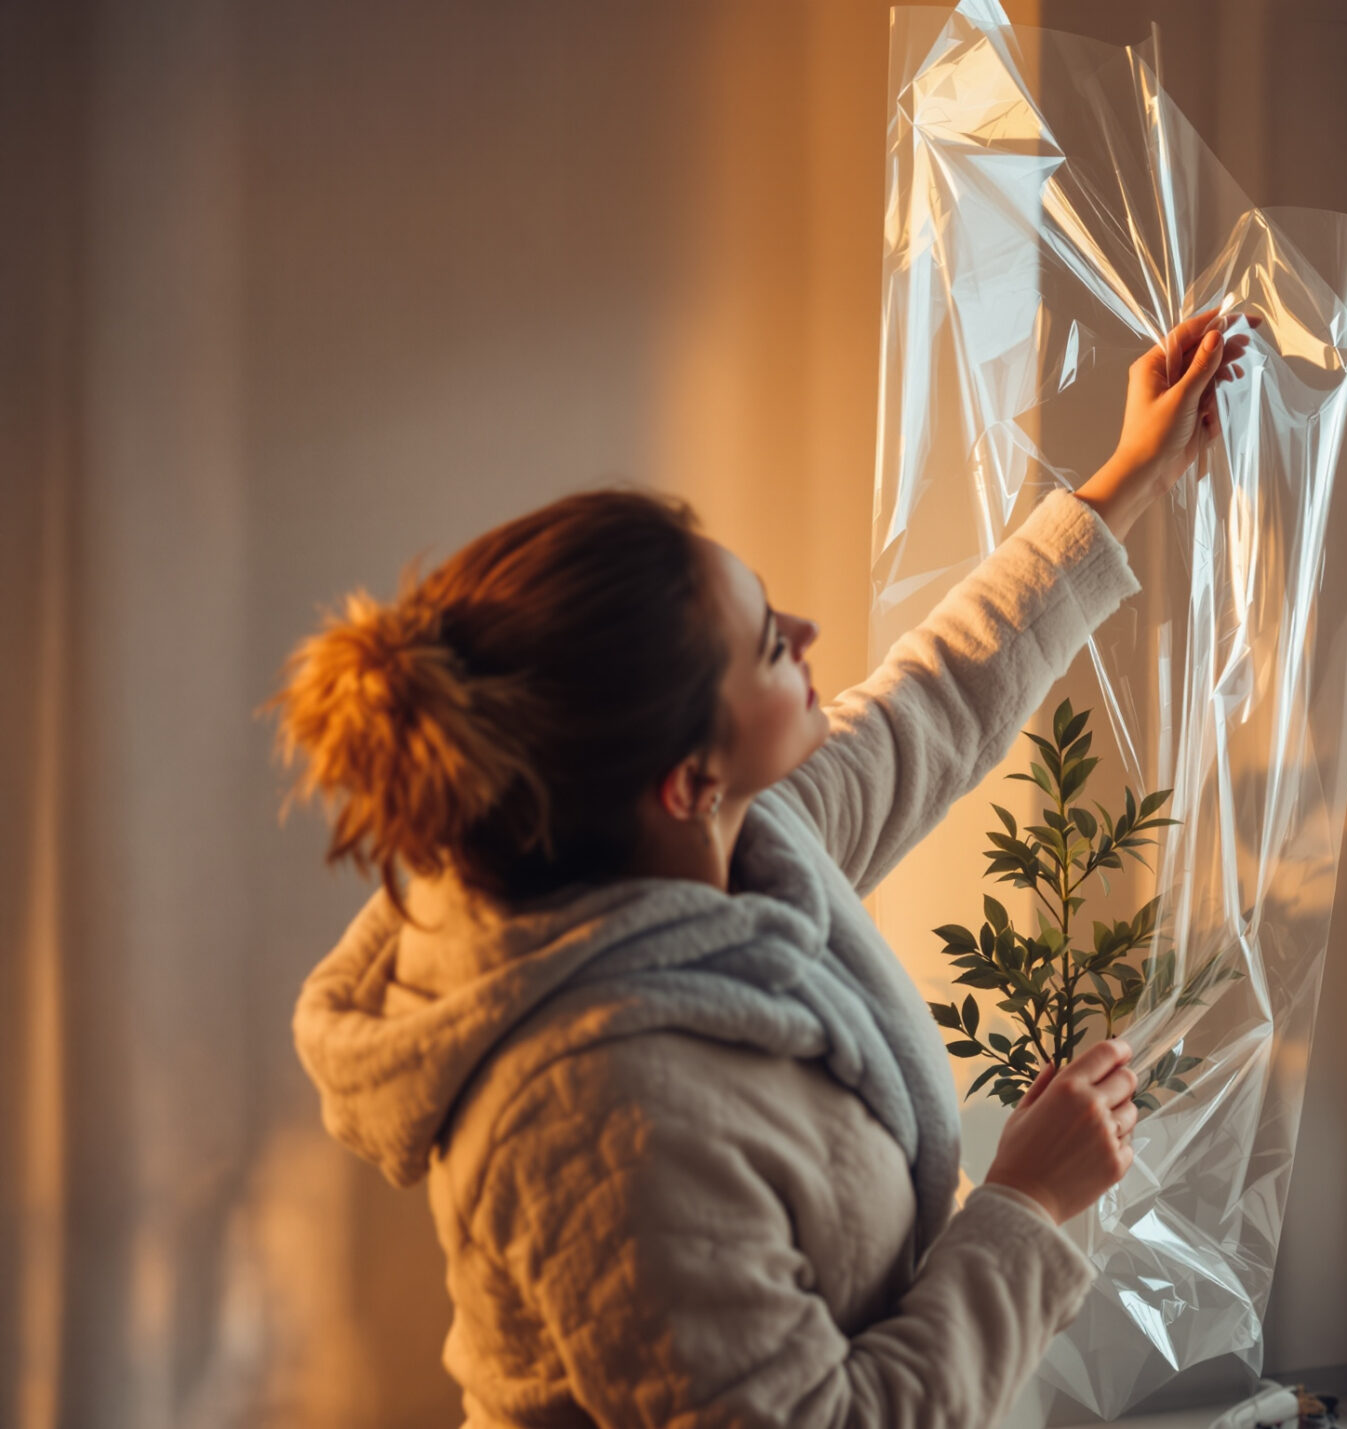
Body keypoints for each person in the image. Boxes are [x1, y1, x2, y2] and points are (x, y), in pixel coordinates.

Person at [277, 311, 1255, 1428]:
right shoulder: (601, 1123)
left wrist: (1133, 472)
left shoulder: (727, 845)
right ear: (687, 780)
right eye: (769, 643)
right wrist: (1026, 1203)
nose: (809, 627)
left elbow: (937, 702)